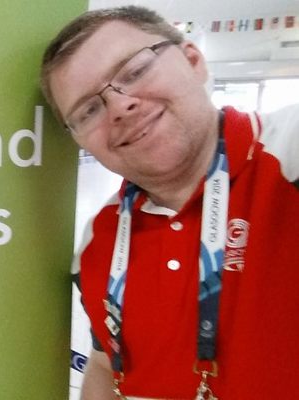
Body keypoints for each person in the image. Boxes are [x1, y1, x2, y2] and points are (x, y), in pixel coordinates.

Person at [40, 6, 299, 400]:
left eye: (134, 71)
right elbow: (103, 364)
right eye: (89, 109)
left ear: (193, 61)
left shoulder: (288, 156)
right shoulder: (98, 241)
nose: (120, 106)